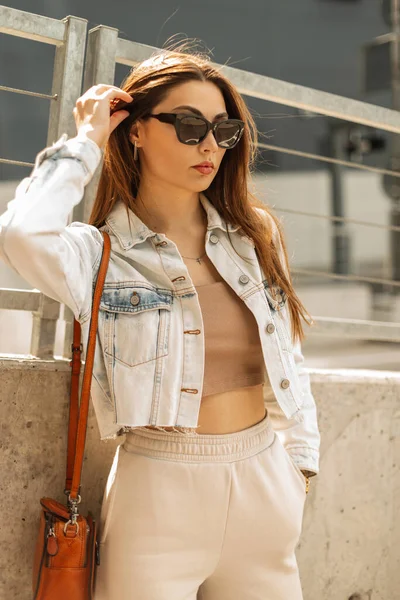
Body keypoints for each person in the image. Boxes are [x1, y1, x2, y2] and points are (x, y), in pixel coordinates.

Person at [0, 41, 321, 600]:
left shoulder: (255, 236)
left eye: (223, 130)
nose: (209, 146)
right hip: (159, 493)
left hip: (265, 481)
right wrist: (86, 142)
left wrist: (299, 466)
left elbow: (289, 355)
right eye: (189, 125)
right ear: (137, 130)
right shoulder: (97, 255)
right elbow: (23, 233)